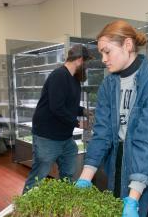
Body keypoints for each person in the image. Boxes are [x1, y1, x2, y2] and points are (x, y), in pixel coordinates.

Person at [75, 20, 148, 217]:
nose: (104, 59)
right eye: (101, 53)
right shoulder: (110, 84)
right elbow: (102, 132)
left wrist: (132, 199)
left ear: (128, 45)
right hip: (119, 163)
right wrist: (85, 177)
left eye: (107, 51)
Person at [22, 44, 93, 193]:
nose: (87, 67)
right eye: (86, 63)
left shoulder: (74, 79)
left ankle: (63, 204)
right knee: (38, 177)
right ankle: (23, 209)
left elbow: (69, 105)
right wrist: (78, 122)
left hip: (65, 138)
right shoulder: (59, 75)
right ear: (80, 60)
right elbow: (57, 107)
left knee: (68, 172)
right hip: (47, 137)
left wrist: (85, 111)